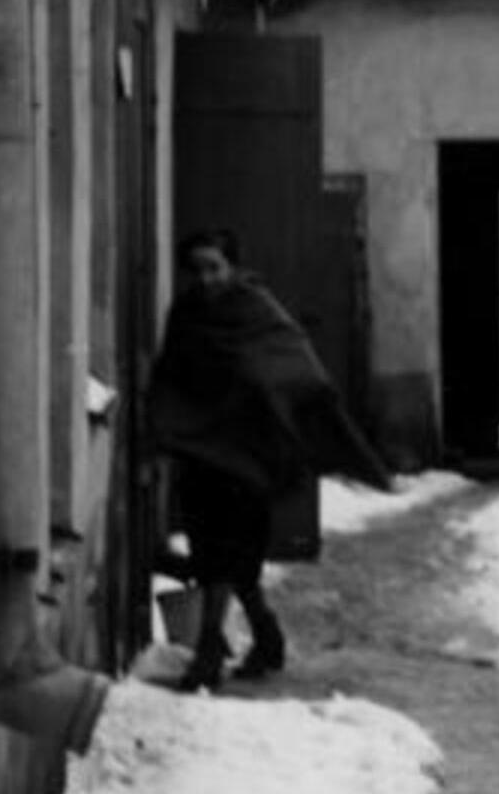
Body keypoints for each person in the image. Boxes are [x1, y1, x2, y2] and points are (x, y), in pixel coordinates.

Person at [149, 228, 390, 692]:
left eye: (214, 268)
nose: (205, 279)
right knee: (216, 553)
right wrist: (165, 427)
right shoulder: (186, 314)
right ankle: (264, 634)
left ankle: (208, 649)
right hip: (202, 452)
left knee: (231, 555)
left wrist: (280, 408)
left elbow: (296, 367)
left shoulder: (256, 310)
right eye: (196, 269)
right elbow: (171, 372)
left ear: (233, 268)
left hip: (250, 453)